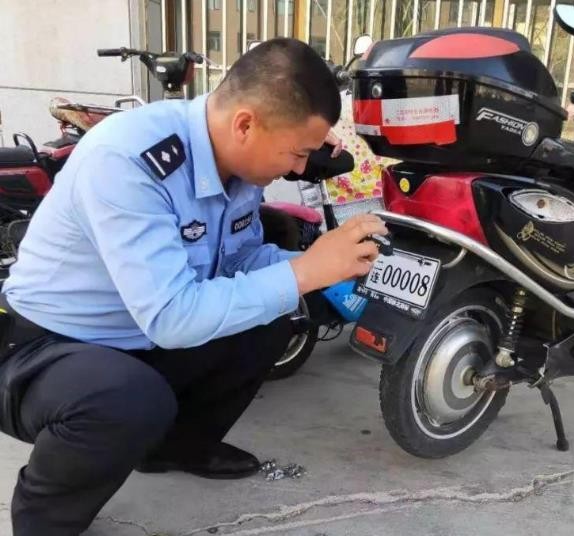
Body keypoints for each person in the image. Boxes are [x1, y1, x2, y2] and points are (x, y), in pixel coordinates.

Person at [0, 38, 386, 536]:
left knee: (275, 312)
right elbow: (174, 317)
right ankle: (42, 521)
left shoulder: (238, 165)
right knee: (128, 400)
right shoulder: (129, 161)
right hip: (44, 345)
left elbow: (240, 261)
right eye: (298, 152)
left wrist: (326, 265)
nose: (298, 168)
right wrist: (307, 271)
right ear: (246, 123)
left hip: (136, 335)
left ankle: (175, 448)